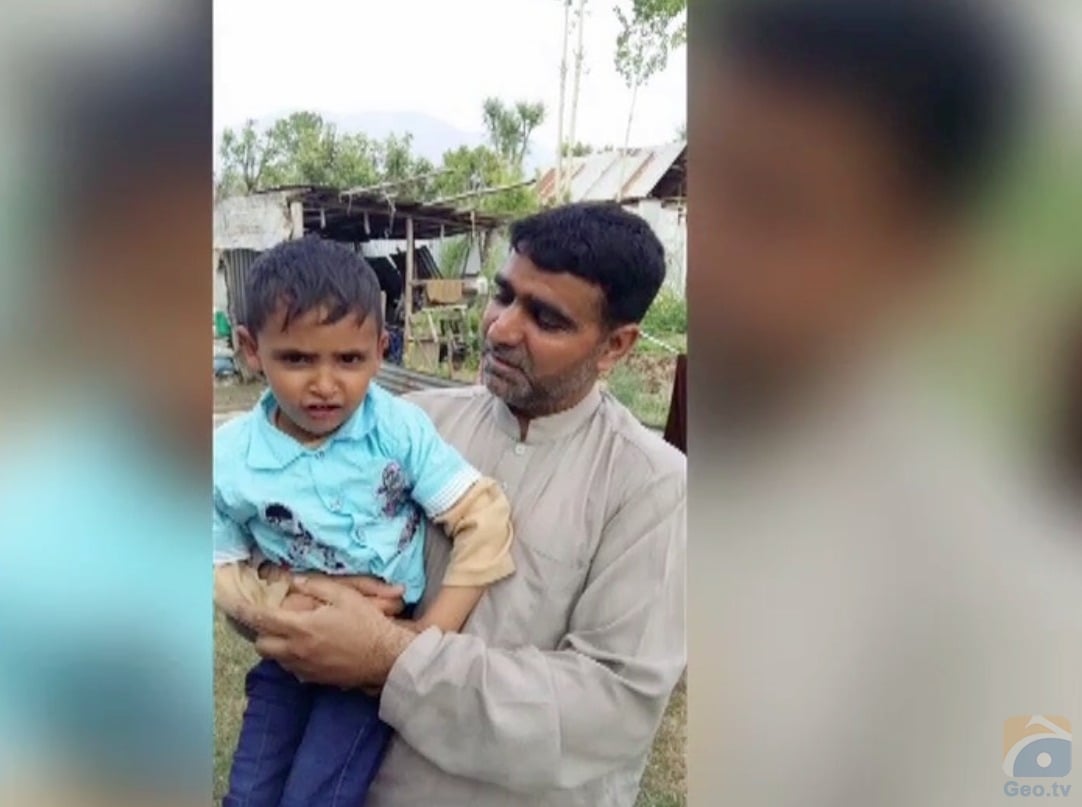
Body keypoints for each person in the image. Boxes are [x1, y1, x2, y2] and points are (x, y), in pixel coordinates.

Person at [232, 202, 687, 807]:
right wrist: (291, 594)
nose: (500, 329)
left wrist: (390, 657)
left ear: (616, 346)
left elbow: (610, 708)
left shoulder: (654, 487)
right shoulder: (410, 425)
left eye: (546, 318)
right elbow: (264, 544)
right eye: (504, 296)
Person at [213, 236, 516, 807]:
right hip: (286, 653)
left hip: (366, 667)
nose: (325, 384)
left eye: (349, 360)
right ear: (251, 349)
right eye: (296, 358)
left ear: (380, 351)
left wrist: (424, 637)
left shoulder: (398, 432)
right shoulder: (228, 459)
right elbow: (216, 557)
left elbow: (483, 516)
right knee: (249, 793)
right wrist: (280, 604)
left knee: (317, 796)